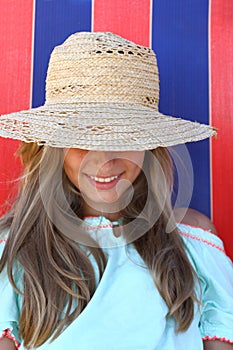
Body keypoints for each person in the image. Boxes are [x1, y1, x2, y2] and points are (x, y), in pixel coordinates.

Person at [0, 32, 232, 350]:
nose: (104, 160)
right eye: (83, 138)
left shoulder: (192, 241)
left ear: (149, 145)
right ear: (53, 148)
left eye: (123, 137)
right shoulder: (17, 251)